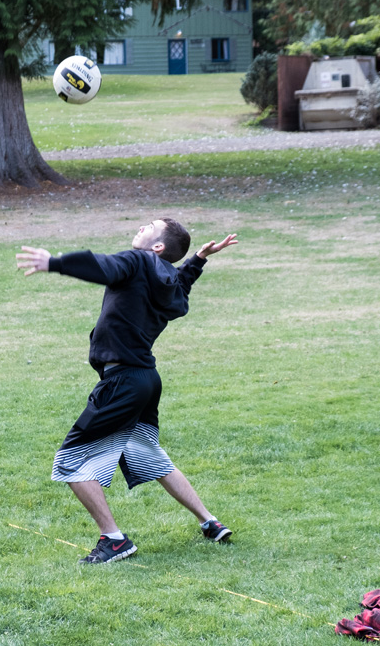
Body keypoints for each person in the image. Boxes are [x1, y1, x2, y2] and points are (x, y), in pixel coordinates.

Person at [16, 218, 238, 564]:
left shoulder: (136, 261)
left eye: (149, 226)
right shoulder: (166, 279)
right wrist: (198, 259)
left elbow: (104, 266)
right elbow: (180, 288)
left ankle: (114, 540)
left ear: (158, 247)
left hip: (123, 381)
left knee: (70, 461)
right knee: (148, 455)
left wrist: (55, 263)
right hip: (146, 379)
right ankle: (210, 522)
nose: (141, 227)